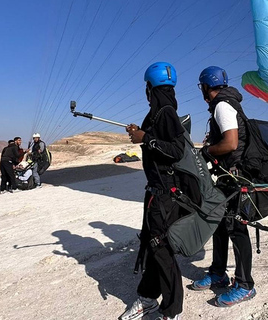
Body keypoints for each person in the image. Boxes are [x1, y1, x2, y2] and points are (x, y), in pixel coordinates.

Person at [119, 62, 184, 320]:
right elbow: (152, 139)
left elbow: (176, 150)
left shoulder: (166, 112)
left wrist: (146, 138)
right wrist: (140, 132)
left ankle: (172, 310)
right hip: (156, 192)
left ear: (150, 88)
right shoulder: (157, 113)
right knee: (152, 246)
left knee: (161, 249)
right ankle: (147, 297)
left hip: (166, 195)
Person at [192, 66, 256, 307]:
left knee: (236, 228)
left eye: (203, 87)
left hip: (237, 177)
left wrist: (206, 152)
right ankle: (218, 272)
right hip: (228, 176)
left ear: (206, 87)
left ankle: (245, 285)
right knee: (219, 223)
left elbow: (230, 144)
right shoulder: (226, 104)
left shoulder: (223, 106)